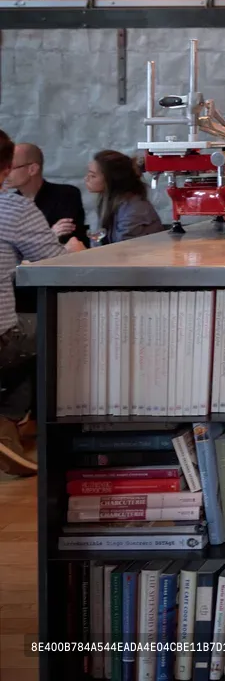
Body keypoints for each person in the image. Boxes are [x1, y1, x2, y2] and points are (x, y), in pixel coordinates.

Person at [0, 129, 85, 474]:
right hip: (2, 338)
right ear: (5, 169)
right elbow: (54, 267)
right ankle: (7, 419)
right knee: (56, 326)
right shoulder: (13, 207)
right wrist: (70, 250)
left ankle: (8, 426)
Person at [2, 142, 88, 245]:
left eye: (10, 167)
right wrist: (51, 234)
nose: (4, 172)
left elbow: (66, 239)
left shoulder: (66, 194)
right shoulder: (9, 203)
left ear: (32, 169)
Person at [84, 150, 165, 244]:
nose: (86, 178)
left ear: (111, 181)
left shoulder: (133, 211)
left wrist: (80, 250)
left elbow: (124, 255)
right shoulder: (107, 203)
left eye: (93, 176)